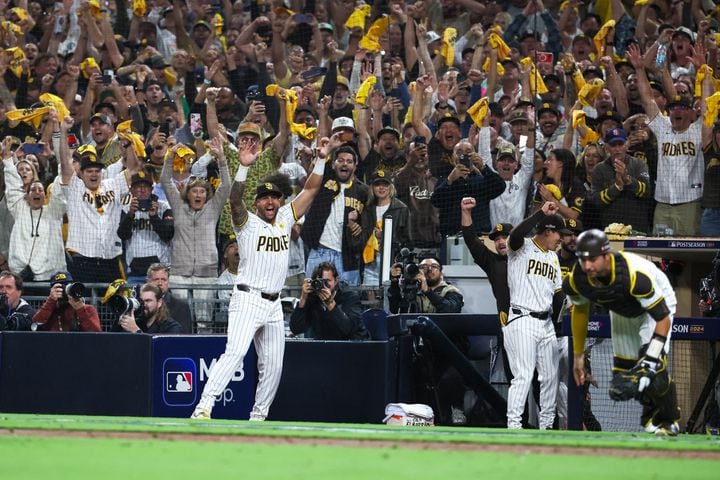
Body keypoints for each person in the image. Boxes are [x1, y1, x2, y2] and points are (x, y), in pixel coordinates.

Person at [191, 130, 327, 421]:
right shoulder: (247, 222)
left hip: (274, 304)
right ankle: (203, 407)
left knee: (274, 366)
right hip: (247, 298)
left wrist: (323, 159)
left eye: (274, 198)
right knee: (235, 352)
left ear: (279, 201)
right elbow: (235, 198)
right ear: (257, 203)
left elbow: (312, 190)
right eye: (264, 198)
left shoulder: (287, 217)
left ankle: (258, 418)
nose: (269, 202)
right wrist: (243, 166)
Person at [564, 229, 681, 436]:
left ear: (606, 255)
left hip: (655, 307)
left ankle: (668, 420)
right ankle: (649, 417)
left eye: (592, 259)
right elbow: (580, 311)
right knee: (622, 383)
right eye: (583, 260)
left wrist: (650, 359)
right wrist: (578, 356)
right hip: (622, 310)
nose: (587, 265)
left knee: (653, 369)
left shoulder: (635, 275)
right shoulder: (578, 279)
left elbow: (663, 319)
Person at [505, 202, 566, 430]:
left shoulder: (553, 257)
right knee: (523, 376)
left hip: (546, 323)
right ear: (548, 231)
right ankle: (514, 426)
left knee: (551, 378)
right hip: (523, 319)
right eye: (560, 233)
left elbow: (558, 293)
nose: (562, 239)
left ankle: (547, 426)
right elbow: (516, 233)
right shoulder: (521, 247)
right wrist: (540, 213)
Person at [160, 137, 230, 330]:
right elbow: (165, 180)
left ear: (207, 195)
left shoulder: (213, 208)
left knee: (204, 322)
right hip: (179, 274)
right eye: (194, 191)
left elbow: (226, 187)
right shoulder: (178, 206)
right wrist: (171, 155)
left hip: (206, 274)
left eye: (202, 191)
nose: (198, 195)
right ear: (187, 194)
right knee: (178, 320)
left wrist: (222, 159)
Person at [302, 144, 369, 286]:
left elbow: (369, 222)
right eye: (340, 160)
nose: (345, 164)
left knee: (349, 301)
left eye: (349, 161)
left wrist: (359, 227)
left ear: (355, 166)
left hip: (348, 256)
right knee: (312, 299)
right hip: (319, 251)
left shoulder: (363, 191)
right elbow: (312, 178)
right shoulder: (323, 183)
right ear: (333, 164)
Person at [589, 128, 652, 233]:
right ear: (607, 147)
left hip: (638, 229)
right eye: (613, 145)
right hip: (610, 230)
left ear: (627, 144)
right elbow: (596, 201)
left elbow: (647, 192)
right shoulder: (599, 169)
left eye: (621, 144)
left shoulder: (639, 164)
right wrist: (617, 187)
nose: (617, 149)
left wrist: (628, 180)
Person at [117, 170, 174, 282]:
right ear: (131, 190)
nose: (142, 190)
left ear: (152, 189)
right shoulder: (125, 208)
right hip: (134, 272)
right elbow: (123, 235)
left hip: (160, 272)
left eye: (146, 187)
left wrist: (154, 217)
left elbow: (168, 235)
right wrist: (130, 215)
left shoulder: (164, 207)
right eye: (138, 187)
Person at [289, 261, 369, 341]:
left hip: (350, 346)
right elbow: (296, 329)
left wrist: (330, 302)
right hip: (324, 347)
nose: (324, 285)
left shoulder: (350, 297)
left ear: (336, 280)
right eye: (320, 281)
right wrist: (303, 299)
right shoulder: (313, 297)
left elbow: (348, 330)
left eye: (327, 281)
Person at [360, 170, 411, 286]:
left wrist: (386, 237)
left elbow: (408, 240)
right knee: (371, 301)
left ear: (391, 187)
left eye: (385, 184)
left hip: (393, 262)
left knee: (391, 299)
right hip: (370, 261)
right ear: (372, 187)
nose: (381, 188)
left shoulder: (402, 209)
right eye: (378, 185)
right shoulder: (367, 210)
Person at [32, 272, 101, 332]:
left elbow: (96, 335)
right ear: (51, 290)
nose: (64, 290)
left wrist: (80, 310)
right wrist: (51, 301)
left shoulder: (88, 309)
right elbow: (35, 326)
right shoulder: (48, 309)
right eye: (60, 287)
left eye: (67, 286)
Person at [116, 283, 182, 334]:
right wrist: (118, 324)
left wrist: (136, 331)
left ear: (159, 302)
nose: (143, 304)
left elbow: (160, 350)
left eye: (148, 301)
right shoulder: (135, 322)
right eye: (141, 301)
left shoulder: (171, 327)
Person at [146, 263, 192, 334]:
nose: (160, 283)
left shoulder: (181, 307)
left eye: (164, 279)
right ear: (148, 281)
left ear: (168, 282)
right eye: (156, 279)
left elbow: (184, 335)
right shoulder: (142, 305)